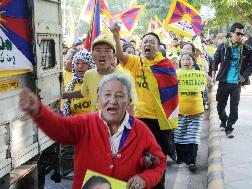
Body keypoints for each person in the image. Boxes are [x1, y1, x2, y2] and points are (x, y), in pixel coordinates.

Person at [19, 74, 166, 189]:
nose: (113, 100)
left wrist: (145, 179)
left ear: (129, 101)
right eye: (107, 94)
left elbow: (159, 162)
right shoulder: (85, 123)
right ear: (98, 97)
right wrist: (39, 111)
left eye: (120, 96)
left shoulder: (141, 130)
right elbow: (59, 127)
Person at [111, 23, 178, 189]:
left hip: (159, 122)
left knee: (157, 160)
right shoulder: (135, 62)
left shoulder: (166, 65)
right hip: (138, 121)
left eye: (152, 42)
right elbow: (119, 54)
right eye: (145, 42)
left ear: (158, 47)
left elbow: (172, 96)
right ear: (140, 46)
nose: (148, 44)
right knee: (138, 160)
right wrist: (116, 36)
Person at [63, 35, 136, 115]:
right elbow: (84, 92)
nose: (102, 54)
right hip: (95, 125)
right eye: (98, 50)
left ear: (113, 55)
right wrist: (64, 95)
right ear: (92, 55)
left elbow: (130, 107)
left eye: (107, 51)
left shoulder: (124, 76)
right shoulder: (89, 75)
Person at [212, 22, 252, 138]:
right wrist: (213, 75)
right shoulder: (223, 46)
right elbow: (215, 60)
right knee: (220, 107)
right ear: (231, 33)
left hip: (236, 84)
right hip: (223, 82)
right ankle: (223, 119)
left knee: (234, 107)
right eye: (238, 33)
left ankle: (229, 128)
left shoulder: (247, 49)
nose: (240, 36)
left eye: (242, 34)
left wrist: (245, 74)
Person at [60, 51, 95, 179]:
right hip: (73, 122)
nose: (79, 66)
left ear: (90, 65)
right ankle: (68, 171)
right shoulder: (71, 81)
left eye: (84, 64)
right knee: (67, 149)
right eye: (77, 63)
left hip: (91, 124)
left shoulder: (94, 81)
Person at [174, 53, 204, 172]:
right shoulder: (175, 74)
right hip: (179, 111)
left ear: (193, 62)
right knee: (179, 135)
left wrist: (208, 78)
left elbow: (207, 85)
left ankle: (191, 161)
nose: (186, 62)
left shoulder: (199, 75)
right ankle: (181, 157)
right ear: (180, 62)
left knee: (193, 136)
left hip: (196, 110)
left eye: (189, 59)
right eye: (183, 59)